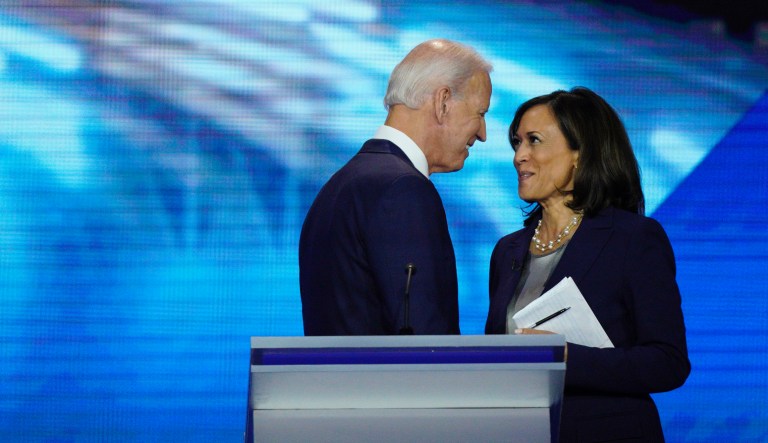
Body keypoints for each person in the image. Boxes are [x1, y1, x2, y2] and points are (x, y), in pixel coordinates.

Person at [486, 87, 690, 441]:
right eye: (517, 142)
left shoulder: (633, 238)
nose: (520, 156)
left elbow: (667, 362)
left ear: (580, 153)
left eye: (534, 141)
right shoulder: (507, 251)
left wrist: (564, 356)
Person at [300, 39, 493, 335]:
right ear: (443, 102)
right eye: (480, 113)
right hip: (393, 383)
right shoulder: (403, 190)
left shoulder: (340, 185)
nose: (482, 134)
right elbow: (423, 341)